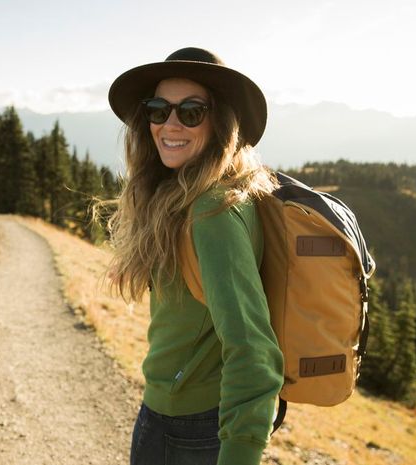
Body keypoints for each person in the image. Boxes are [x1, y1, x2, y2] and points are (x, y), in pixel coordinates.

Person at [104, 47, 284, 465]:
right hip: (182, 419)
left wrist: (240, 453)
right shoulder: (198, 196)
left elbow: (253, 350)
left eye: (190, 111)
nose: (169, 124)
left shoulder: (212, 212)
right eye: (157, 109)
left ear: (221, 122)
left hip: (186, 429)